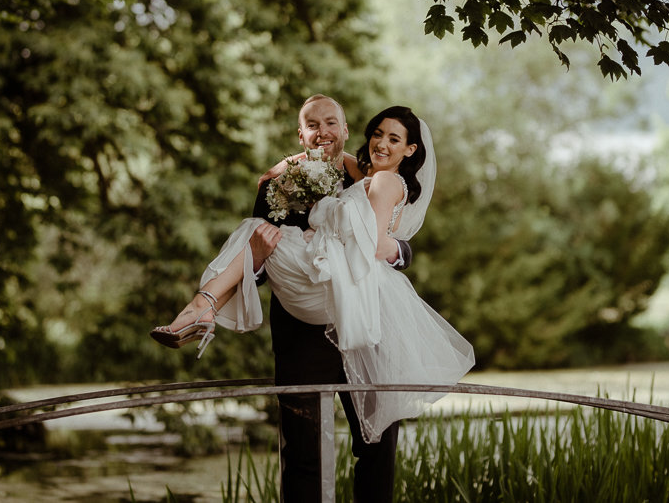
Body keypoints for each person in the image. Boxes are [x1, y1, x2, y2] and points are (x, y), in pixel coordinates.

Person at [151, 99, 474, 501]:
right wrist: (254, 254)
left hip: (370, 324)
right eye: (312, 125)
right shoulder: (275, 183)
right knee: (303, 453)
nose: (323, 132)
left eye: (331, 123)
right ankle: (202, 308)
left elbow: (396, 242)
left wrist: (392, 249)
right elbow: (265, 261)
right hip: (302, 332)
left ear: (345, 129)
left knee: (377, 448)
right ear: (300, 135)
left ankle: (203, 306)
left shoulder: (370, 176)